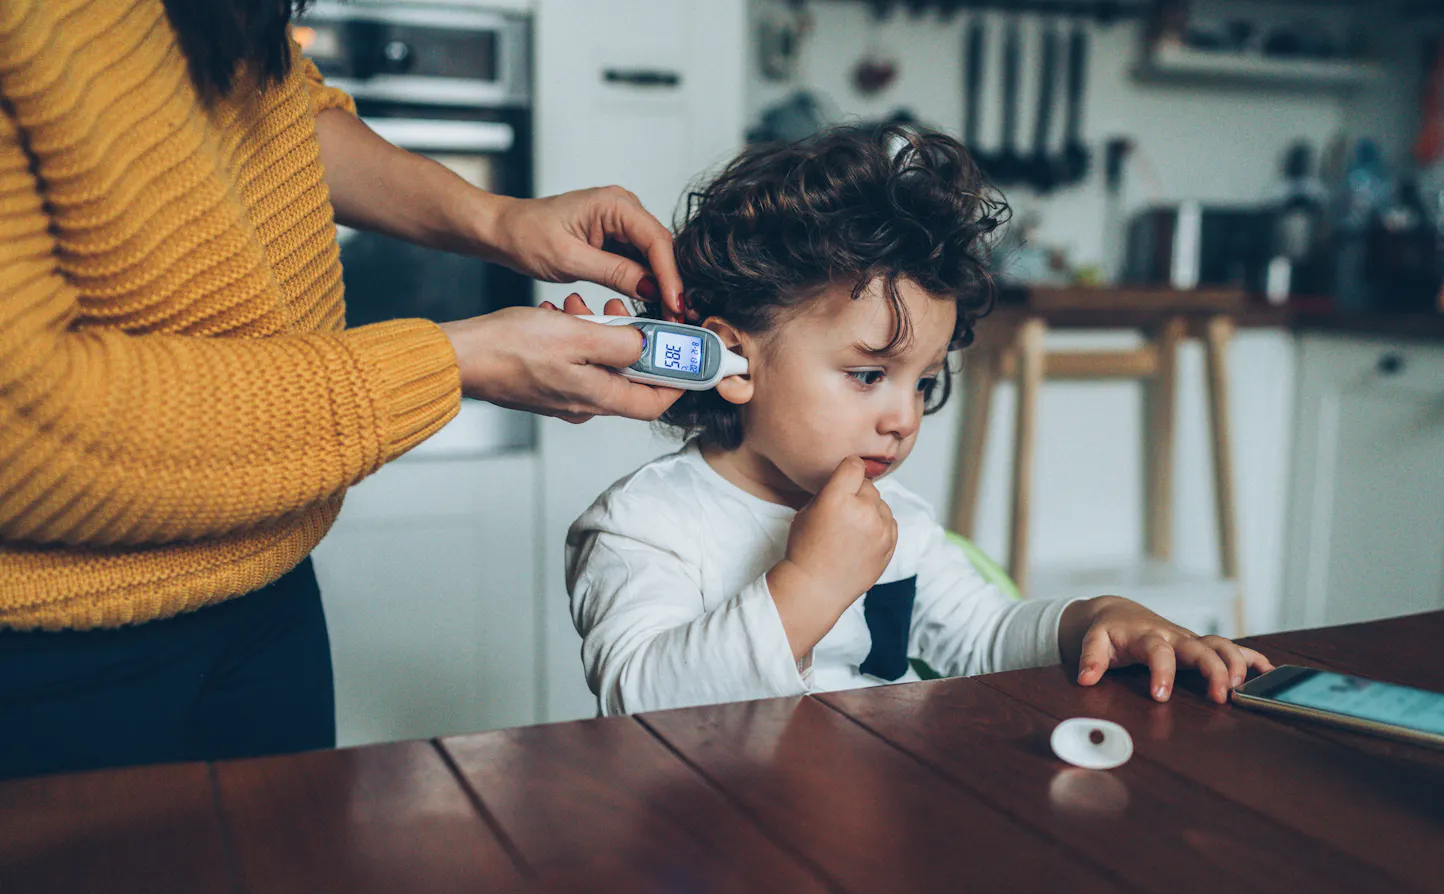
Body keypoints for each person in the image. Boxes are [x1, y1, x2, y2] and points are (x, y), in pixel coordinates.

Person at [0, 0, 684, 780]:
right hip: (50, 655)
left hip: (270, 585)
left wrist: (502, 221)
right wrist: (452, 363)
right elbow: (24, 425)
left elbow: (287, 115)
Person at [564, 125, 1274, 716]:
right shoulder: (645, 527)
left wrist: (1093, 620)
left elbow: (987, 637)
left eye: (924, 381)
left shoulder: (897, 518)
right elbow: (638, 705)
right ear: (735, 361)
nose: (904, 417)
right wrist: (809, 583)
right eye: (869, 374)